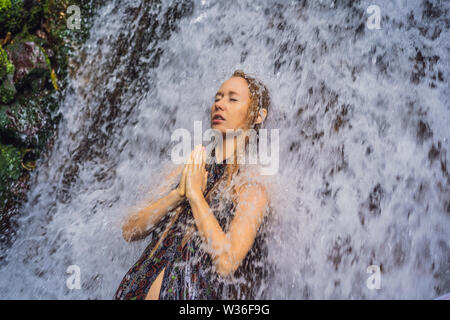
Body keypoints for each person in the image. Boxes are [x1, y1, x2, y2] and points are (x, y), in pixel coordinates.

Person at [114, 70, 274, 300]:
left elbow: (226, 262)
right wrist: (178, 195)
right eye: (218, 97)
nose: (220, 104)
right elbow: (129, 230)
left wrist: (196, 196)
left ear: (258, 116)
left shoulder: (250, 188)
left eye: (232, 98)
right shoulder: (185, 168)